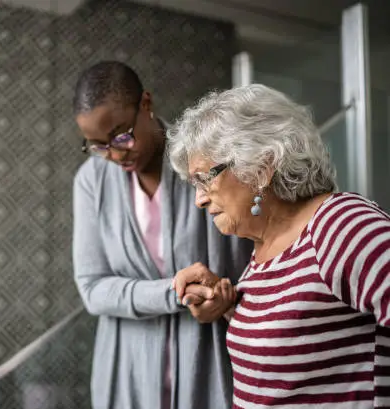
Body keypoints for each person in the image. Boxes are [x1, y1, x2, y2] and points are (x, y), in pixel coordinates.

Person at [168, 83, 390, 409]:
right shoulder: (263, 250)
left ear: (262, 166)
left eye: (205, 178)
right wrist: (229, 305)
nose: (199, 199)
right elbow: (302, 348)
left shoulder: (340, 225)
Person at [71, 61, 252, 409]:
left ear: (146, 103)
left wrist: (225, 299)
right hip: (127, 368)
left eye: (121, 135)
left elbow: (254, 256)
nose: (114, 154)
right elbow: (93, 288)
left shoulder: (205, 161)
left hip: (212, 358)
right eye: (97, 145)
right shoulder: (90, 182)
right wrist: (174, 292)